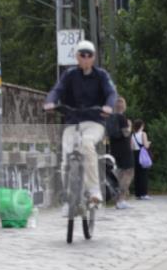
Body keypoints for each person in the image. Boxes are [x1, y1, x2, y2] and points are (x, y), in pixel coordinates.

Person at [44, 40, 116, 207]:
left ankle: (94, 191)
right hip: (72, 122)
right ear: (77, 56)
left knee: (86, 143)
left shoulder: (101, 75)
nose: (85, 58)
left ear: (93, 58)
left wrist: (109, 106)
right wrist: (50, 102)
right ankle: (70, 194)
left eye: (88, 55)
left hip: (94, 122)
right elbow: (57, 89)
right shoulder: (69, 75)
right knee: (66, 155)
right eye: (82, 55)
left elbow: (111, 92)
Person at [106, 97, 134, 209]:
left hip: (114, 148)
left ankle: (118, 199)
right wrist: (130, 126)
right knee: (128, 172)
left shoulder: (110, 118)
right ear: (123, 106)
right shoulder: (122, 118)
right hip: (124, 149)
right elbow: (126, 133)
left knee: (120, 173)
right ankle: (121, 200)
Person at [131, 119, 152, 200]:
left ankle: (138, 194)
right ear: (141, 126)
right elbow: (146, 145)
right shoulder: (143, 134)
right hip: (142, 154)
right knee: (144, 174)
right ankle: (144, 193)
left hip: (135, 154)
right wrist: (149, 143)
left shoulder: (132, 135)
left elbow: (132, 147)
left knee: (137, 175)